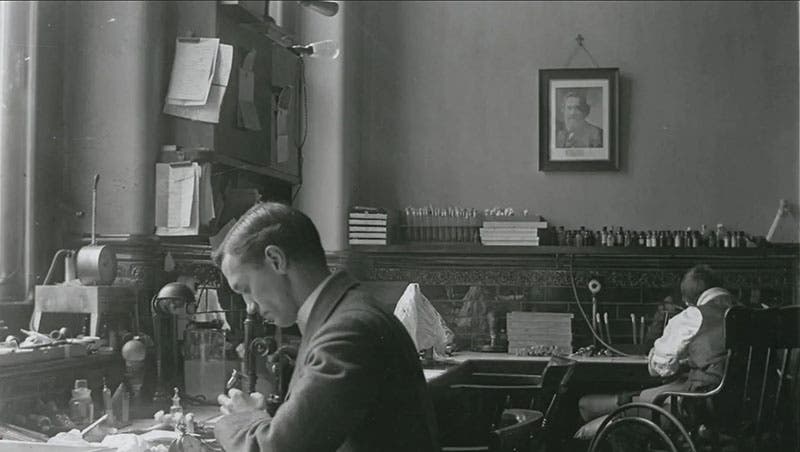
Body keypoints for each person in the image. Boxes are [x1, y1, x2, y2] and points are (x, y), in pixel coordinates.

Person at [212, 202, 439, 452]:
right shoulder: (343, 312)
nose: (250, 307)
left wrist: (235, 421)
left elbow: (280, 449)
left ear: (276, 260)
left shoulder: (348, 331)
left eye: (245, 289)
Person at [576, 264, 734, 436]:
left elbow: (660, 367)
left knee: (587, 426)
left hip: (698, 410)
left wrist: (668, 361)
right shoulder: (753, 315)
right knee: (598, 404)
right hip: (735, 409)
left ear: (688, 301)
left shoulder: (694, 315)